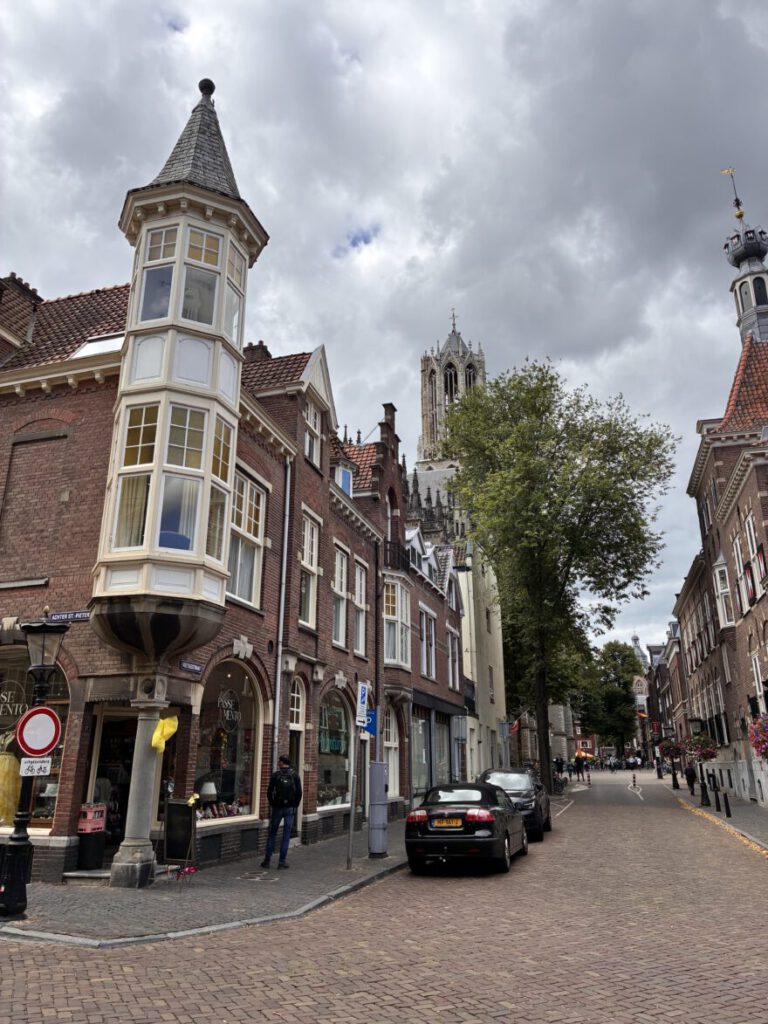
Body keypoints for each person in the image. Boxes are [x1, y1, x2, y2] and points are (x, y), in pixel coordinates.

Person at [261, 755, 302, 870]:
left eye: (279, 761)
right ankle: (282, 862)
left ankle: (267, 860)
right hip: (290, 808)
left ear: (282, 763)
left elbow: (269, 792)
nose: (278, 763)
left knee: (272, 833)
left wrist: (273, 803)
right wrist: (295, 805)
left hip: (277, 808)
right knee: (286, 835)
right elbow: (299, 792)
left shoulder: (275, 775)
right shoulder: (294, 775)